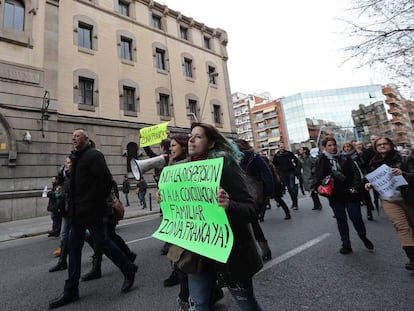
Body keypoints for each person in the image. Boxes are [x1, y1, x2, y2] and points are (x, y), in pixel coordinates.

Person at [49, 128, 138, 309]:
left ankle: (128, 268)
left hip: (91, 211)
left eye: (77, 136)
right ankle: (71, 290)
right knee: (73, 249)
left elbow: (106, 181)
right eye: (72, 136)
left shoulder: (93, 156)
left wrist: (94, 202)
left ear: (86, 139)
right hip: (76, 214)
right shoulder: (75, 157)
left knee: (103, 243)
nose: (73, 138)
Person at [186, 122, 263, 310]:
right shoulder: (184, 171)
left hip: (230, 254)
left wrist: (229, 205)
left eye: (198, 136)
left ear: (211, 143)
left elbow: (251, 208)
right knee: (200, 304)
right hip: (199, 252)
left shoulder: (225, 167)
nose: (191, 139)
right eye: (190, 135)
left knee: (247, 305)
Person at [313, 136, 374, 255]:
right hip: (334, 195)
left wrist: (356, 187)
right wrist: (317, 187)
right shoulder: (321, 160)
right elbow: (317, 176)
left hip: (350, 193)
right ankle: (346, 244)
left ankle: (363, 237)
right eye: (329, 145)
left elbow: (356, 173)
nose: (333, 147)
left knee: (356, 217)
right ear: (324, 147)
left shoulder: (345, 157)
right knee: (341, 220)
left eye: (334, 144)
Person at [365, 137, 414, 270]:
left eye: (385, 144)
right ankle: (412, 259)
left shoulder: (403, 158)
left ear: (391, 145)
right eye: (379, 145)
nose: (382, 146)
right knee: (401, 227)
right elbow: (373, 178)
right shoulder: (374, 163)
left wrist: (402, 173)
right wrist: (370, 184)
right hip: (389, 200)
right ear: (376, 148)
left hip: (408, 197)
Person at [81, 179, 137, 282]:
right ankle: (128, 255)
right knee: (109, 238)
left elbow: (114, 197)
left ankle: (98, 268)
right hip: (101, 214)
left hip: (108, 214)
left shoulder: (106, 179)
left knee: (105, 239)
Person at [161, 133, 191, 310]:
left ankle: (185, 300)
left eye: (173, 145)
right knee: (178, 262)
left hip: (189, 222)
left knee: (183, 264)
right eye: (170, 146)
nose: (170, 148)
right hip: (176, 221)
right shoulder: (171, 166)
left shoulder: (190, 165)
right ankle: (213, 293)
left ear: (183, 146)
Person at [234, 139, 273, 261]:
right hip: (241, 195)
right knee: (250, 223)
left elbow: (267, 174)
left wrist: (268, 193)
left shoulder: (254, 157)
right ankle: (261, 250)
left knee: (253, 223)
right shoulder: (234, 160)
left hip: (254, 195)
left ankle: (263, 250)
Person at [49, 157, 72, 272]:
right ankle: (62, 261)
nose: (66, 165)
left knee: (84, 234)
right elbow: (61, 187)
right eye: (66, 163)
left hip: (74, 211)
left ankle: (98, 252)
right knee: (63, 234)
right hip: (66, 210)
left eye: (69, 163)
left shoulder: (74, 175)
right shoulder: (66, 175)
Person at [342, 141, 375, 221]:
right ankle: (357, 215)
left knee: (365, 195)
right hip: (351, 180)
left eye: (348, 146)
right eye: (345, 147)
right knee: (356, 196)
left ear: (352, 147)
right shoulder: (342, 157)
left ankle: (369, 211)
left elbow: (364, 165)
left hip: (361, 177)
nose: (347, 148)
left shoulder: (358, 154)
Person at [262, 155, 291, 220]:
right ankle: (261, 216)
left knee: (274, 200)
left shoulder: (268, 167)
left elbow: (269, 178)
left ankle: (287, 213)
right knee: (268, 201)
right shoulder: (271, 166)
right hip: (275, 186)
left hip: (274, 186)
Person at [272, 143, 299, 210]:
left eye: (283, 147)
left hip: (290, 172)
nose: (282, 148)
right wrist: (278, 171)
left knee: (292, 187)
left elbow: (296, 160)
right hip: (283, 173)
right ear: (278, 148)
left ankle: (295, 203)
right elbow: (274, 165)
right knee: (289, 189)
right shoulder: (276, 156)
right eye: (281, 147)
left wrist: (295, 169)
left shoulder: (289, 153)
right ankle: (294, 202)